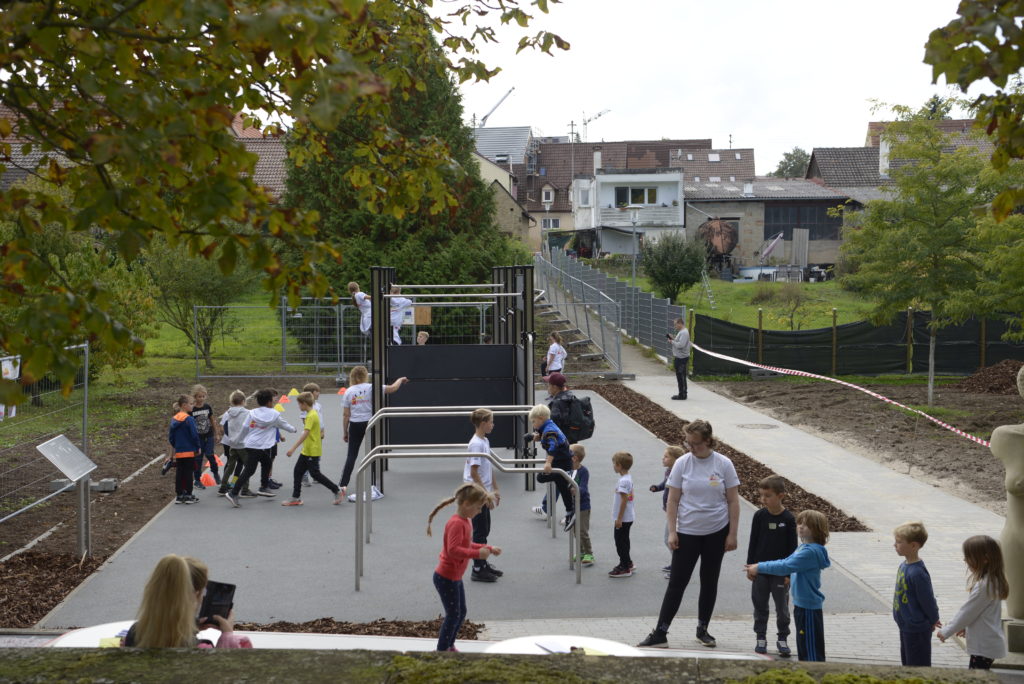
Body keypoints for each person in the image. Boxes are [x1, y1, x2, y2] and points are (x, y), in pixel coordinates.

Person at [638, 419, 739, 649]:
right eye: (688, 443)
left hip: (716, 530)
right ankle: (660, 631)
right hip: (687, 532)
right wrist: (672, 532)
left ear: (707, 441)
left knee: (709, 581)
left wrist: (732, 534)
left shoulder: (724, 464)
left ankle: (703, 629)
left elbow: (733, 501)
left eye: (695, 444)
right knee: (677, 582)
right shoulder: (683, 463)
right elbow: (673, 500)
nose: (691, 448)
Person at [745, 510, 831, 662]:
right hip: (802, 606)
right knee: (804, 647)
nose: (801, 527)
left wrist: (759, 567)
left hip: (808, 609)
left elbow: (785, 566)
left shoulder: (810, 552)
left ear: (817, 529)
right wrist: (760, 565)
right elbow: (784, 562)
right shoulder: (803, 548)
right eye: (800, 523)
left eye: (807, 524)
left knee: (811, 653)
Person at [427, 483, 502, 652]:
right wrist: (478, 555)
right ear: (466, 504)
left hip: (454, 576)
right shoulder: (456, 524)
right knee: (453, 614)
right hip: (446, 577)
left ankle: (449, 645)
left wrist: (488, 548)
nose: (480, 511)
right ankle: (442, 650)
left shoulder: (465, 521)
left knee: (460, 612)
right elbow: (453, 550)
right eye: (478, 507)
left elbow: (467, 543)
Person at [124, 554, 251, 648]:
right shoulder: (200, 649)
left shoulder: (134, 633)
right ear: (196, 595)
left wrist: (191, 627)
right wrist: (227, 636)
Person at [937, 535, 1009, 670]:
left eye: (969, 556)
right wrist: (966, 627)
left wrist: (947, 630)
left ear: (985, 559)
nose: (965, 560)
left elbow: (967, 612)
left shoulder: (985, 586)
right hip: (986, 643)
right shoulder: (992, 581)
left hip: (983, 646)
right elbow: (977, 612)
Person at [746, 475, 798, 657]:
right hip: (760, 570)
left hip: (780, 572)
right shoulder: (759, 516)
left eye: (767, 495)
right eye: (761, 495)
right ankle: (760, 637)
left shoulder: (789, 519)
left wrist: (788, 574)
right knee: (760, 606)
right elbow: (753, 542)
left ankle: (782, 638)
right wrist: (750, 566)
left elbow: (793, 549)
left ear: (781, 495)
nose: (763, 499)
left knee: (782, 609)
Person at [338, 365, 409, 498]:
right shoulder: (372, 387)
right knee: (373, 453)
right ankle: (373, 483)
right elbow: (392, 388)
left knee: (351, 455)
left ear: (352, 376)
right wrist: (400, 379)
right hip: (370, 422)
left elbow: (346, 415)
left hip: (355, 424)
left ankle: (342, 485)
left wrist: (345, 432)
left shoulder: (349, 391)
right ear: (366, 375)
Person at [226, 388, 296, 507]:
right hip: (258, 447)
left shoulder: (252, 413)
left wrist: (237, 440)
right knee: (249, 470)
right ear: (269, 402)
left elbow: (244, 427)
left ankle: (263, 487)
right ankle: (233, 493)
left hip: (250, 444)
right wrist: (294, 429)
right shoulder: (274, 414)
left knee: (267, 462)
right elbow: (284, 424)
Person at [892, 521, 941, 667]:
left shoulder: (917, 573)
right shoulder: (903, 566)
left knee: (918, 665)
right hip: (905, 624)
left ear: (914, 545)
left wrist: (934, 618)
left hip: (917, 627)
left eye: (899, 542)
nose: (895, 545)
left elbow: (927, 599)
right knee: (907, 662)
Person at [283, 392, 345, 506]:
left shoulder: (311, 416)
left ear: (304, 404)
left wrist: (292, 448)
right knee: (298, 471)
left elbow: (305, 433)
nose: (298, 407)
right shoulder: (310, 414)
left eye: (299, 404)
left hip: (312, 450)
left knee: (315, 474)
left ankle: (337, 490)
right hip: (307, 450)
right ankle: (296, 497)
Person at [464, 408, 502, 582]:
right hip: (476, 493)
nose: (493, 425)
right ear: (483, 423)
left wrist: (495, 489)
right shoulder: (476, 444)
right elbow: (473, 472)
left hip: (484, 490)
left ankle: (483, 562)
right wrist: (486, 495)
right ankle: (477, 568)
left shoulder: (484, 440)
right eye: (491, 421)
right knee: (479, 530)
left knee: (485, 528)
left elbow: (488, 466)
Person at [529, 403, 576, 532]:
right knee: (562, 486)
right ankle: (570, 511)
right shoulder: (547, 427)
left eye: (534, 421)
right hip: (562, 460)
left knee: (541, 478)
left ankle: (571, 511)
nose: (533, 424)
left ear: (541, 418)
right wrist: (536, 438)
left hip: (561, 461)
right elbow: (548, 438)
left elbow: (553, 445)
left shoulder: (549, 430)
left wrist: (548, 463)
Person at [650, 445, 685, 579]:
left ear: (676, 460)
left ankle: (678, 568)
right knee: (670, 540)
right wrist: (657, 487)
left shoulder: (677, 473)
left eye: (666, 457)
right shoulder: (669, 471)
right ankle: (676, 563)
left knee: (669, 539)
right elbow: (665, 483)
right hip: (670, 511)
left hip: (676, 512)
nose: (662, 458)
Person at [217, 390, 251, 498]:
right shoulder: (247, 413)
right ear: (243, 401)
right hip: (243, 444)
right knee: (248, 467)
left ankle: (223, 487)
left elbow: (224, 426)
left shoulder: (228, 413)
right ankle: (245, 489)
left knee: (230, 466)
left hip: (232, 443)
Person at [169, 395, 201, 504]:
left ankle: (179, 495)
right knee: (188, 472)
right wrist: (197, 447)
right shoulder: (189, 419)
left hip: (179, 451)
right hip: (189, 451)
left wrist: (176, 446)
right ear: (184, 405)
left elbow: (171, 438)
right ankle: (188, 494)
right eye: (191, 404)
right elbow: (194, 435)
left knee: (180, 472)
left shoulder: (174, 419)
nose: (193, 406)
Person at [609, 451, 636, 579]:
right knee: (624, 540)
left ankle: (624, 567)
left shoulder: (623, 482)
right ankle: (628, 562)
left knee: (620, 542)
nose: (613, 466)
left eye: (614, 464)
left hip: (623, 518)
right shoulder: (626, 478)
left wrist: (619, 518)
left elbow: (624, 500)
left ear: (619, 465)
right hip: (628, 517)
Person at [190, 384, 221, 489]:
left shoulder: (207, 407)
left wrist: (216, 433)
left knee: (210, 455)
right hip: (198, 438)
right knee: (198, 458)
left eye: (203, 396)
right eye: (199, 396)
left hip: (209, 435)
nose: (201, 398)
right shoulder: (192, 409)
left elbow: (212, 420)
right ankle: (197, 480)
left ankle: (216, 473)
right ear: (195, 397)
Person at [298, 382, 326, 488]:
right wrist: (312, 431)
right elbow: (305, 420)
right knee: (308, 456)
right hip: (311, 435)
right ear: (313, 393)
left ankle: (315, 474)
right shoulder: (307, 406)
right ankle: (304, 476)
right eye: (317, 392)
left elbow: (321, 420)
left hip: (319, 433)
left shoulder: (318, 405)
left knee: (316, 455)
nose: (319, 394)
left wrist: (323, 431)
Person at [570, 444, 594, 566]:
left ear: (574, 458)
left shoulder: (583, 471)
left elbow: (583, 488)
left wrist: (575, 490)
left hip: (583, 506)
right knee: (575, 531)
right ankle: (581, 551)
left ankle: (589, 553)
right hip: (573, 506)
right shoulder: (568, 470)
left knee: (582, 531)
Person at [666, 317, 690, 400]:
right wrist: (674, 338)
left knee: (681, 376)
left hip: (681, 358)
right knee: (680, 375)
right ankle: (682, 393)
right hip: (680, 357)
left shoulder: (684, 333)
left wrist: (671, 341)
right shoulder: (682, 332)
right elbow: (679, 341)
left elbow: (680, 345)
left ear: (680, 323)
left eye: (675, 324)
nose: (674, 326)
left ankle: (682, 395)